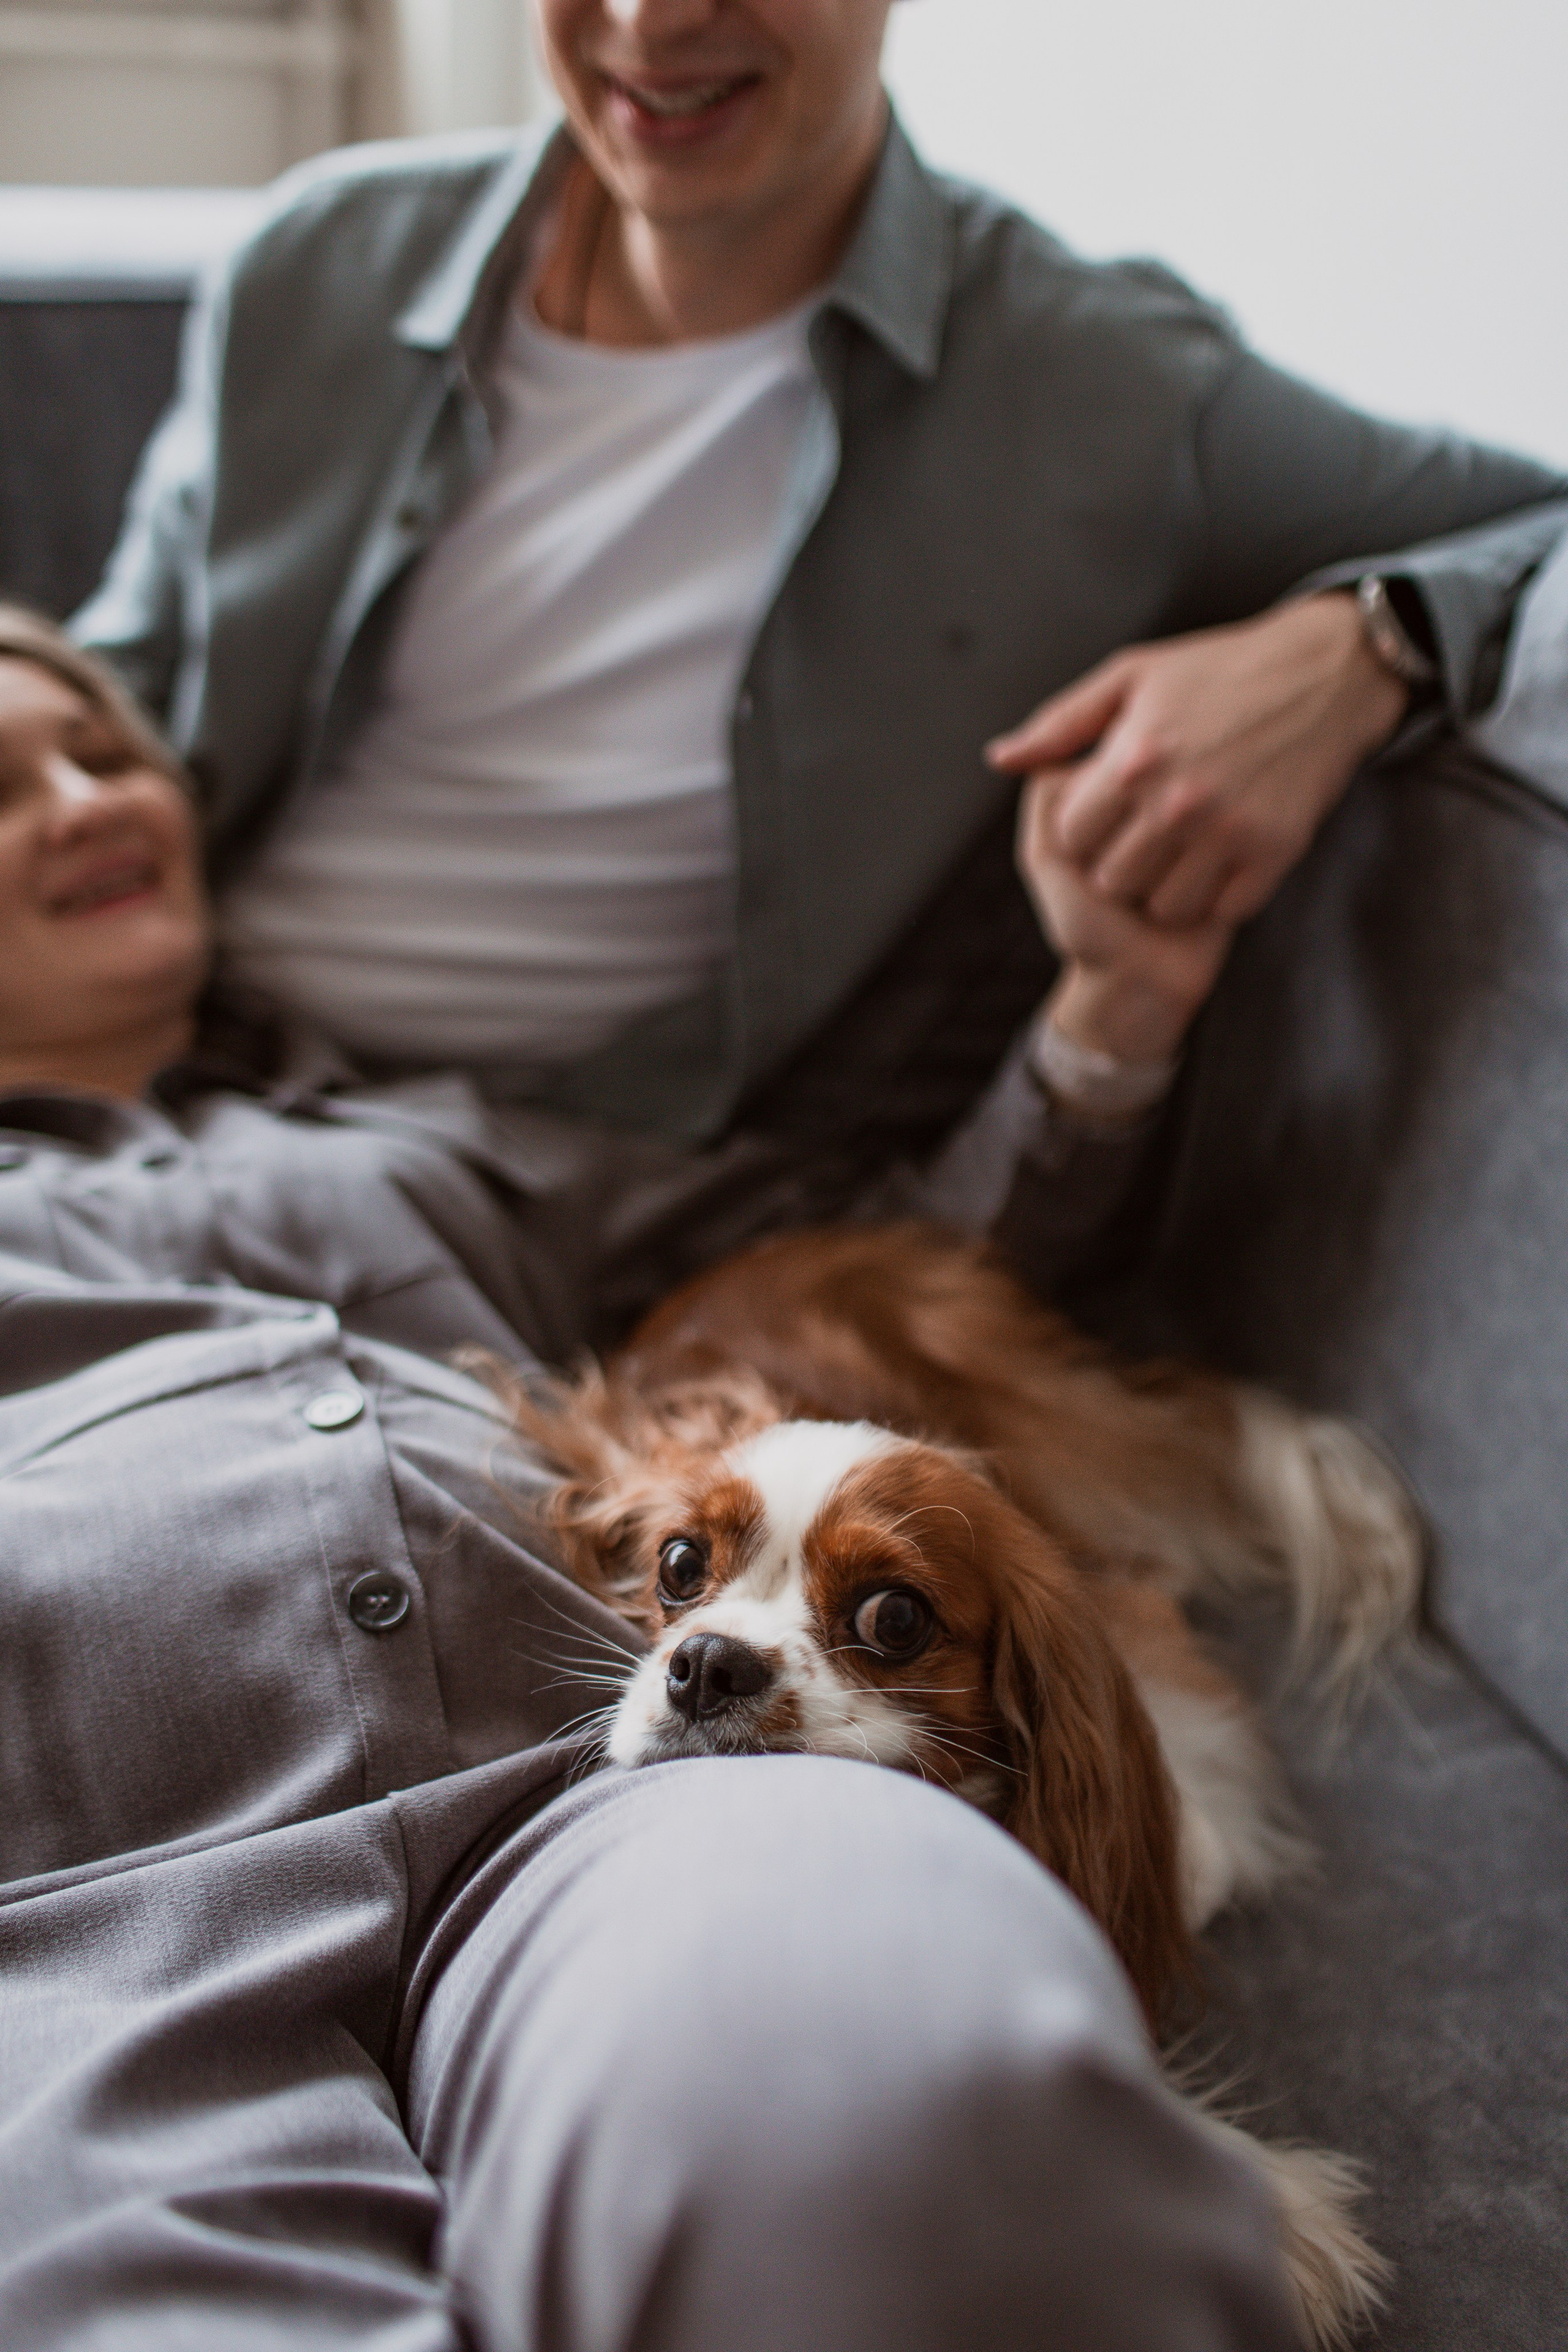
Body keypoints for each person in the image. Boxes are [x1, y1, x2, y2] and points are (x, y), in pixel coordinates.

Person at [0, 607, 1311, 2346]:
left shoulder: (439, 1137)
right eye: (3, 791)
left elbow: (895, 1238)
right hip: (109, 1886)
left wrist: (1112, 1005)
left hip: (606, 1784)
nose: (81, 798)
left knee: (926, 2125)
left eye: (103, 752)